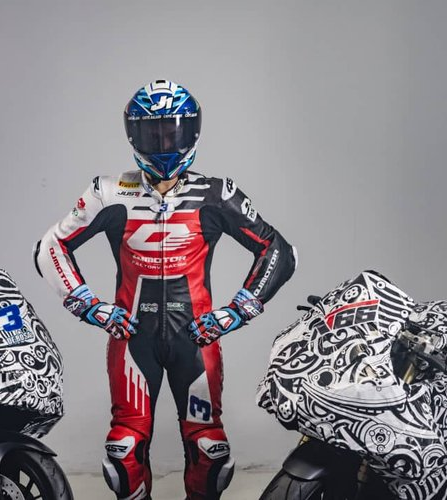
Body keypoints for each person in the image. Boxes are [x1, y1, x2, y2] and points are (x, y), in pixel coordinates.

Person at [34, 79, 297, 500]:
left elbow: (279, 251)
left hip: (195, 340)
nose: (163, 144)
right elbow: (51, 247)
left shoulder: (216, 194)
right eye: (152, 133)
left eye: (172, 132)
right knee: (123, 452)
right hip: (132, 341)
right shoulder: (108, 192)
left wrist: (238, 310)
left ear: (191, 132)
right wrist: (88, 304)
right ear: (133, 134)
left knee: (210, 452)